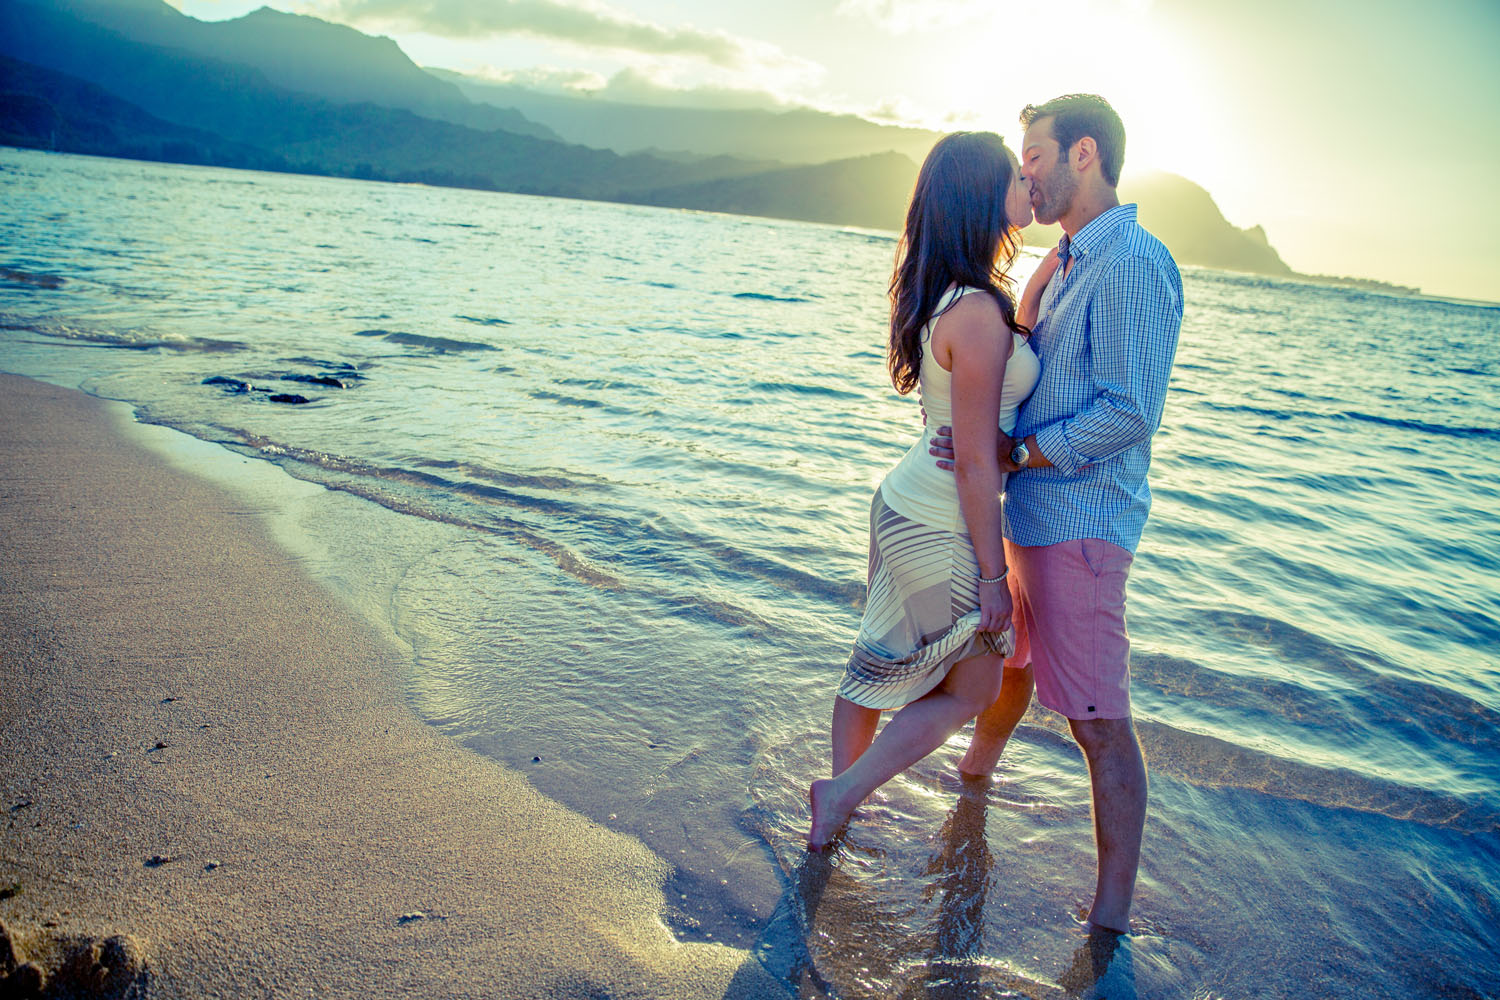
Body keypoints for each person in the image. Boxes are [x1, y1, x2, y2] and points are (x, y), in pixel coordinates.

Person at [932, 94, 1183, 933]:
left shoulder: (1133, 261)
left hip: (1080, 523)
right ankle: (975, 776)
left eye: (1033, 155)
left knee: (1098, 722)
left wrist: (1015, 456)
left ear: (1083, 154)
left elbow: (1128, 412)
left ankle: (1110, 917)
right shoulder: (1070, 259)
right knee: (1012, 668)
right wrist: (982, 446)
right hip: (1032, 515)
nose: (1024, 173)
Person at [807, 131, 1055, 850]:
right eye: (1015, 174)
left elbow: (988, 391)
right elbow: (977, 463)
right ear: (985, 195)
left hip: (906, 503)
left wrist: (1040, 281)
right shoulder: (978, 313)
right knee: (974, 689)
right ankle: (843, 792)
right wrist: (990, 578)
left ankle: (839, 811)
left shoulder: (962, 297)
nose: (1027, 181)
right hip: (942, 522)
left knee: (873, 661)